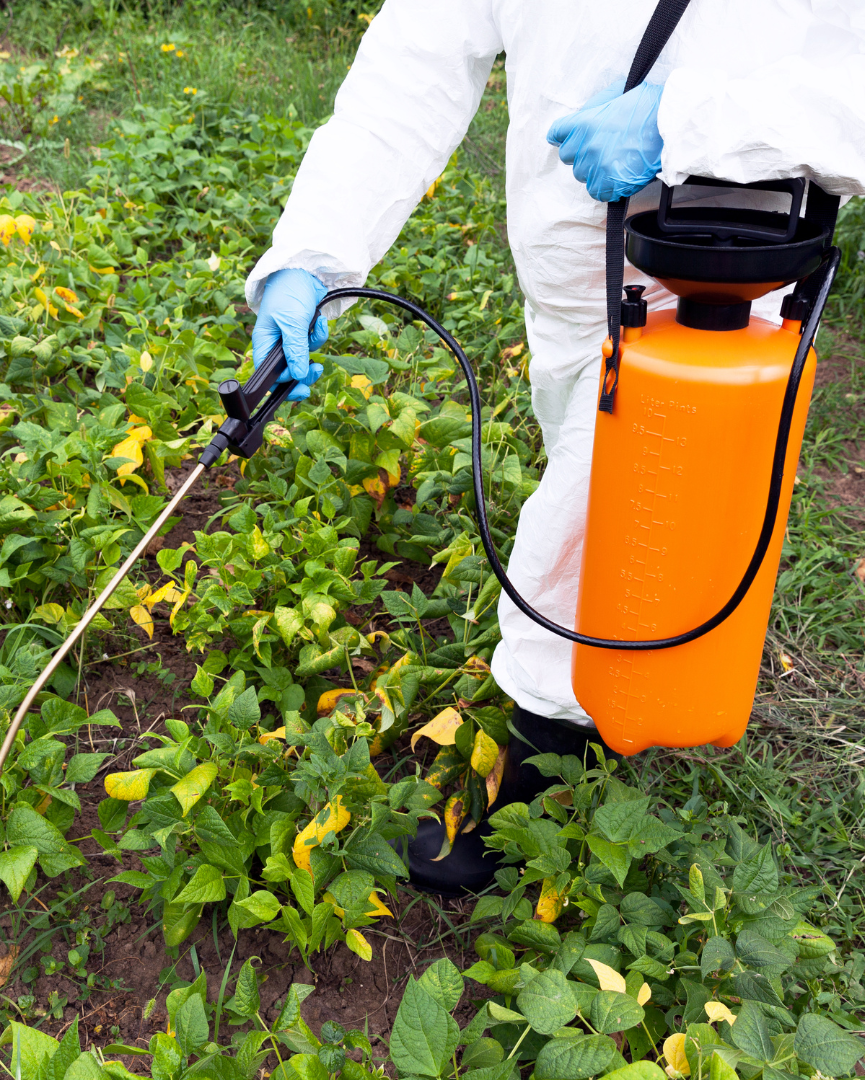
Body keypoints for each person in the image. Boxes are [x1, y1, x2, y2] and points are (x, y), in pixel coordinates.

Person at [246, 0, 865, 892]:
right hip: (570, 274)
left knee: (589, 519)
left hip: (725, 262)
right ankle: (619, 687)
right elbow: (415, 64)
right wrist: (314, 254)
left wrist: (683, 118)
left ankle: (545, 762)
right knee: (619, 510)